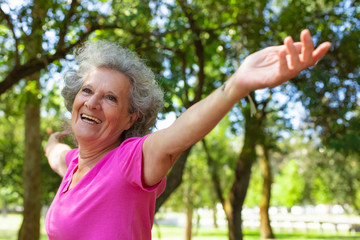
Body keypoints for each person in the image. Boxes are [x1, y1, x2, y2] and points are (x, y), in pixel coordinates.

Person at [44, 29, 331, 239]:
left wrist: (236, 86)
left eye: (111, 98)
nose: (92, 102)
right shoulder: (72, 164)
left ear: (131, 118)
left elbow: (177, 135)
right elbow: (55, 154)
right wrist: (53, 140)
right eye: (87, 90)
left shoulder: (129, 160)